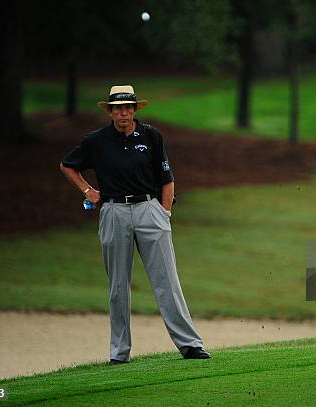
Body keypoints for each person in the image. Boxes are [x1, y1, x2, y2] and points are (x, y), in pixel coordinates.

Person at [60, 85, 210, 364]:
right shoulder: (97, 141)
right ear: (111, 112)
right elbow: (68, 165)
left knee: (167, 281)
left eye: (128, 108)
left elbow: (167, 177)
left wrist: (164, 213)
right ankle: (119, 352)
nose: (124, 113)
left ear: (135, 110)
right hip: (114, 211)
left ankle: (190, 345)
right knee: (118, 285)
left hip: (149, 209)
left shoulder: (151, 136)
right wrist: (87, 191)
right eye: (118, 108)